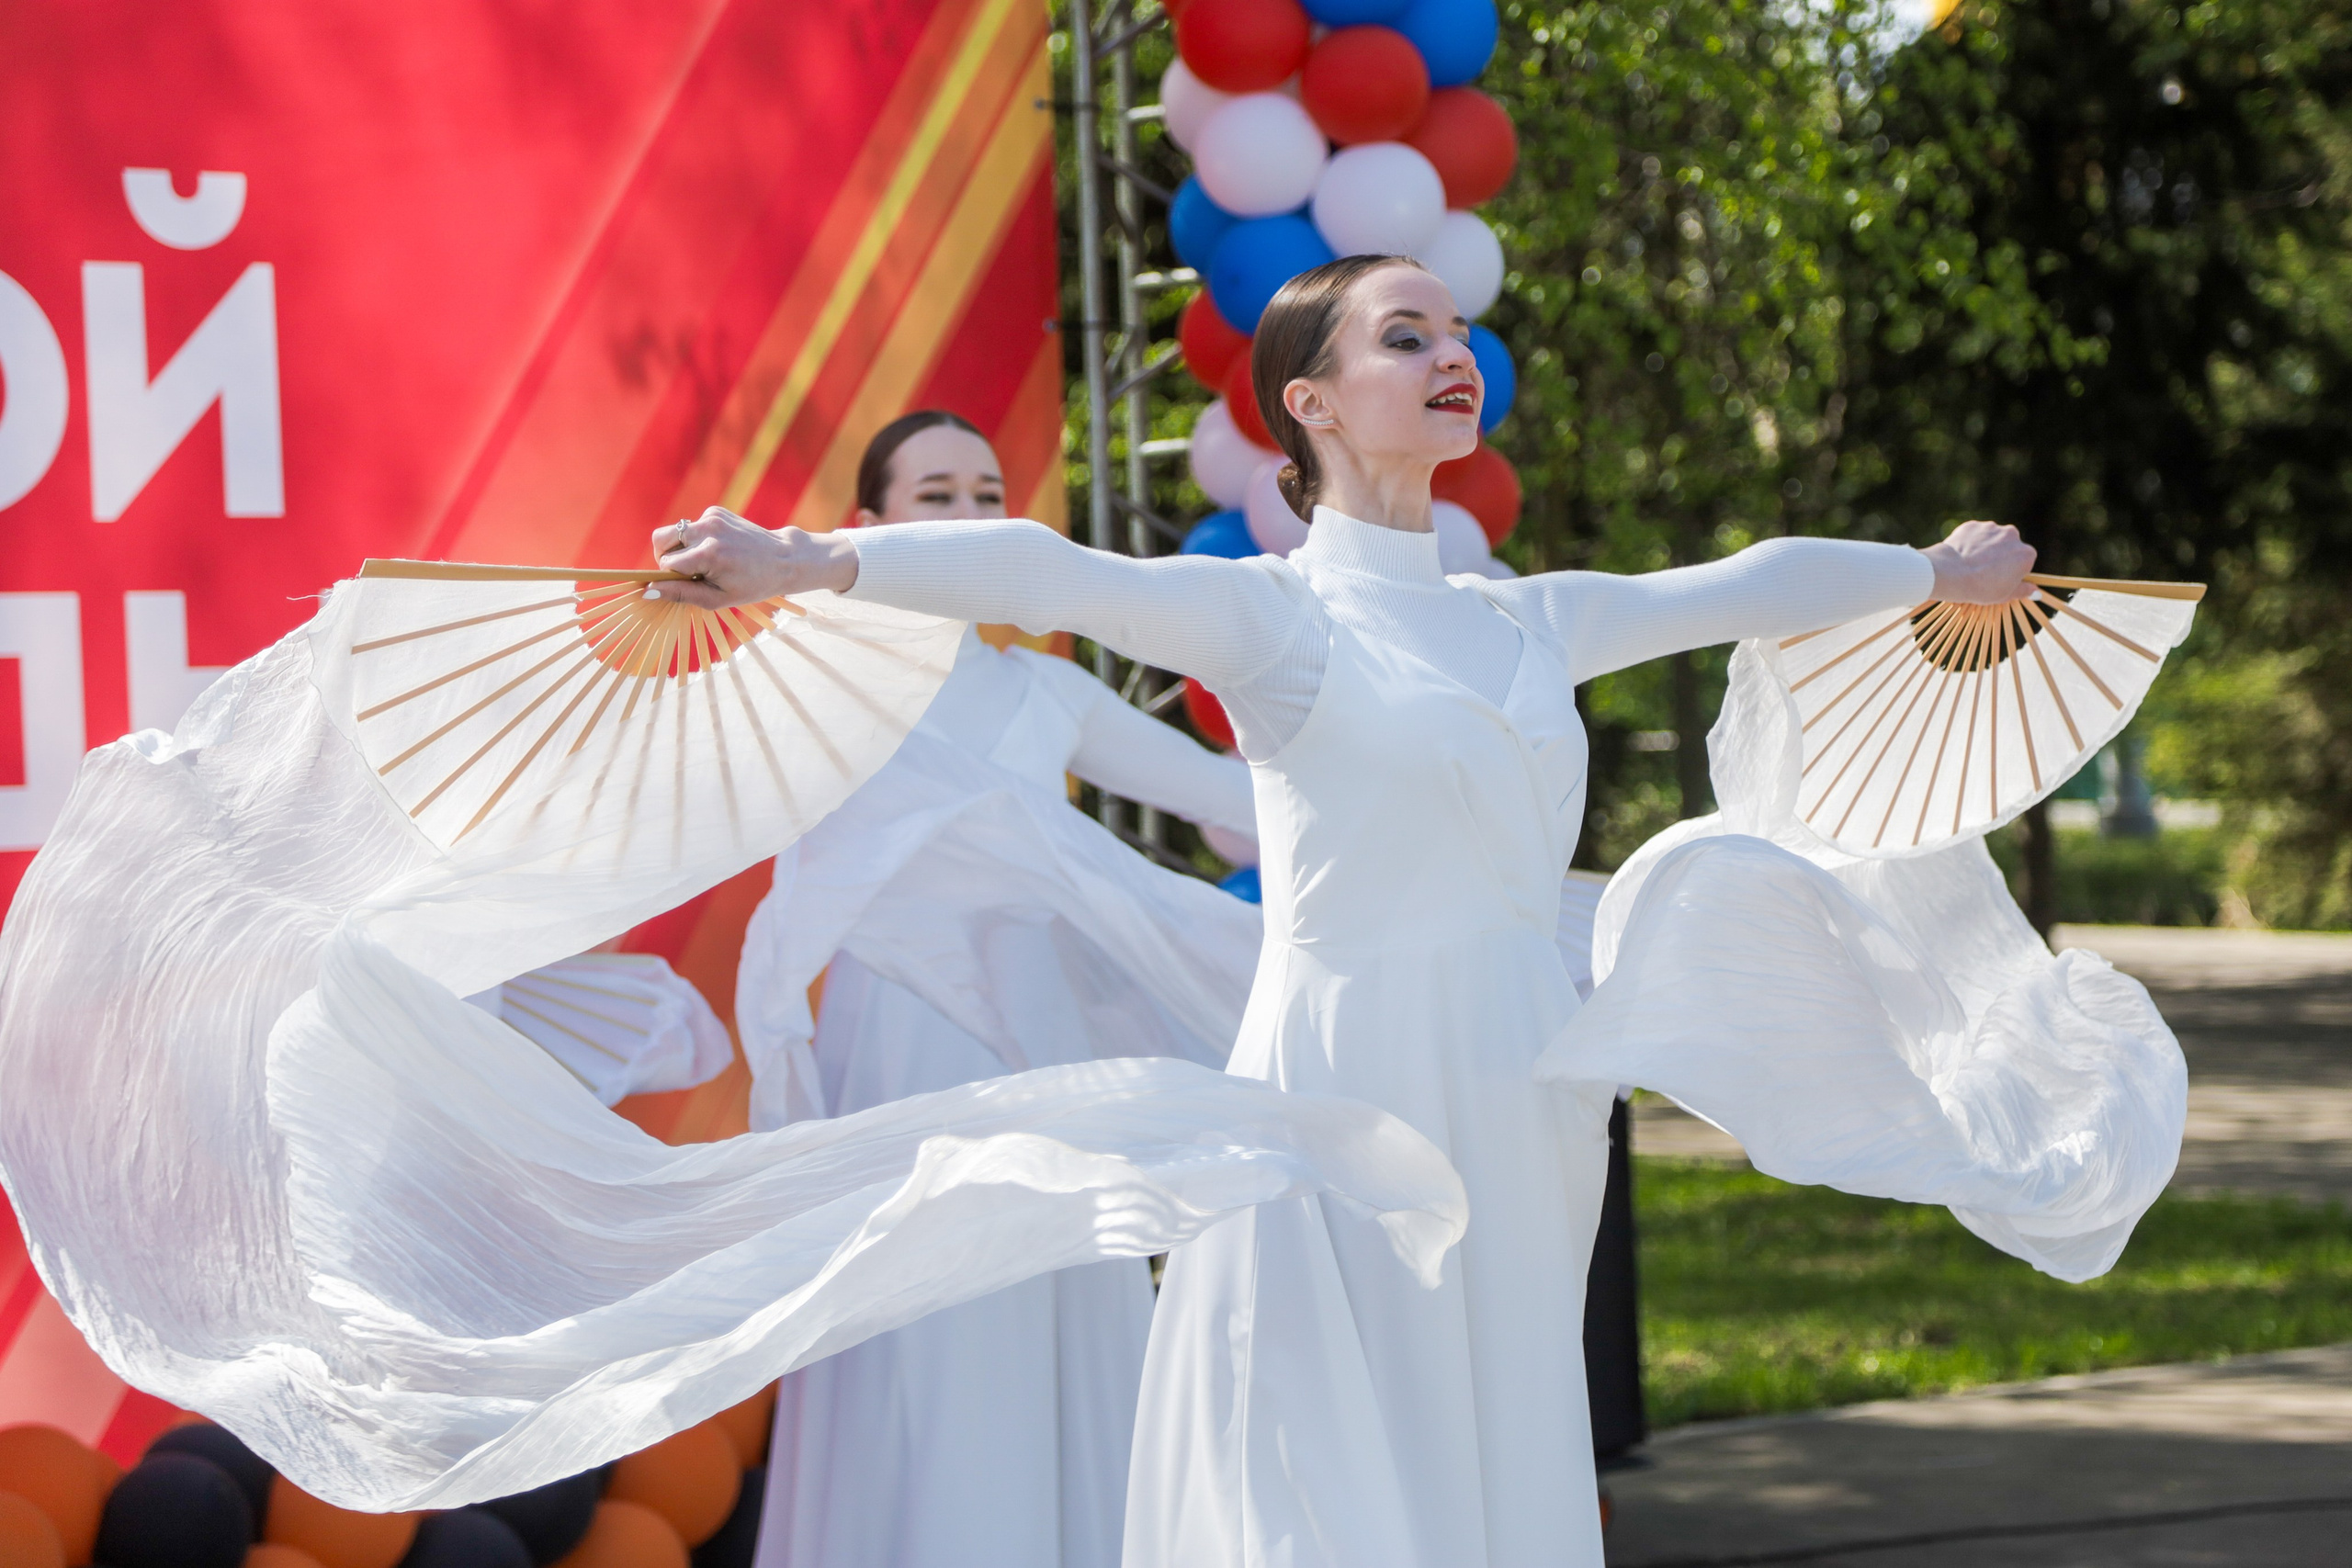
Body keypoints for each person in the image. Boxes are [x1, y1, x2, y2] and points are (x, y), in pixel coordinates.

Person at [645, 254, 2176, 1568]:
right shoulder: (1272, 611)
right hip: (1341, 1083)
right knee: (1330, 1437)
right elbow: (1053, 563)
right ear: (1305, 403)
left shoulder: (1533, 614)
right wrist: (812, 561)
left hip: (1526, 1082)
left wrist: (1929, 567)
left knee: (1503, 1403)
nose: (1453, 357)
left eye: (1456, 335)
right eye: (1404, 337)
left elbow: (1740, 580)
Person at [741, 412, 1261, 1568]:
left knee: (1051, 1323)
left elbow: (1229, 803)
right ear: (868, 528)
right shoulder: (810, 687)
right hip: (895, 1060)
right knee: (922, 1343)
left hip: (1044, 1059)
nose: (970, 517)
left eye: (988, 493)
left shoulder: (1047, 693)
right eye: (936, 496)